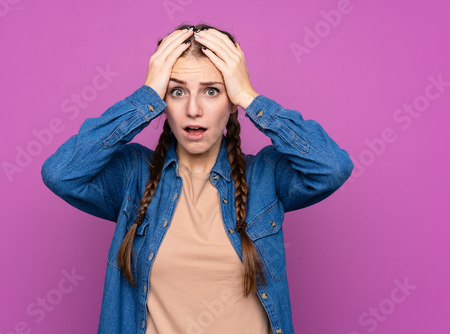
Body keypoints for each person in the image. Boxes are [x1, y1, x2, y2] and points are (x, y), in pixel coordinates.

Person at [41, 23, 354, 334]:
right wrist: (144, 98)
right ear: (163, 102)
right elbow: (61, 172)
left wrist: (249, 95)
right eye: (177, 92)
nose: (193, 109)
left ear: (230, 102)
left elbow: (331, 167)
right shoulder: (133, 175)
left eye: (212, 91)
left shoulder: (265, 176)